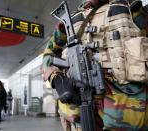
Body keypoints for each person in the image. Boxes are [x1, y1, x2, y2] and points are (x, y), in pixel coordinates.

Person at [42, 0, 148, 131]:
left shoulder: (134, 10)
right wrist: (56, 79)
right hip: (80, 108)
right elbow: (48, 53)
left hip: (125, 114)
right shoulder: (71, 20)